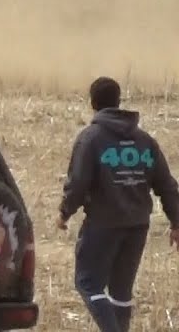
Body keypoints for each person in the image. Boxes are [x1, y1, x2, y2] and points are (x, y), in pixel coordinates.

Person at [57, 75, 179, 332]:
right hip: (137, 226)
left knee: (87, 283)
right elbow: (167, 186)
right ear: (118, 100)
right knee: (121, 292)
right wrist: (176, 221)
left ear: (93, 103)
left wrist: (64, 212)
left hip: (103, 224)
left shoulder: (90, 139)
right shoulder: (146, 141)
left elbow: (78, 183)